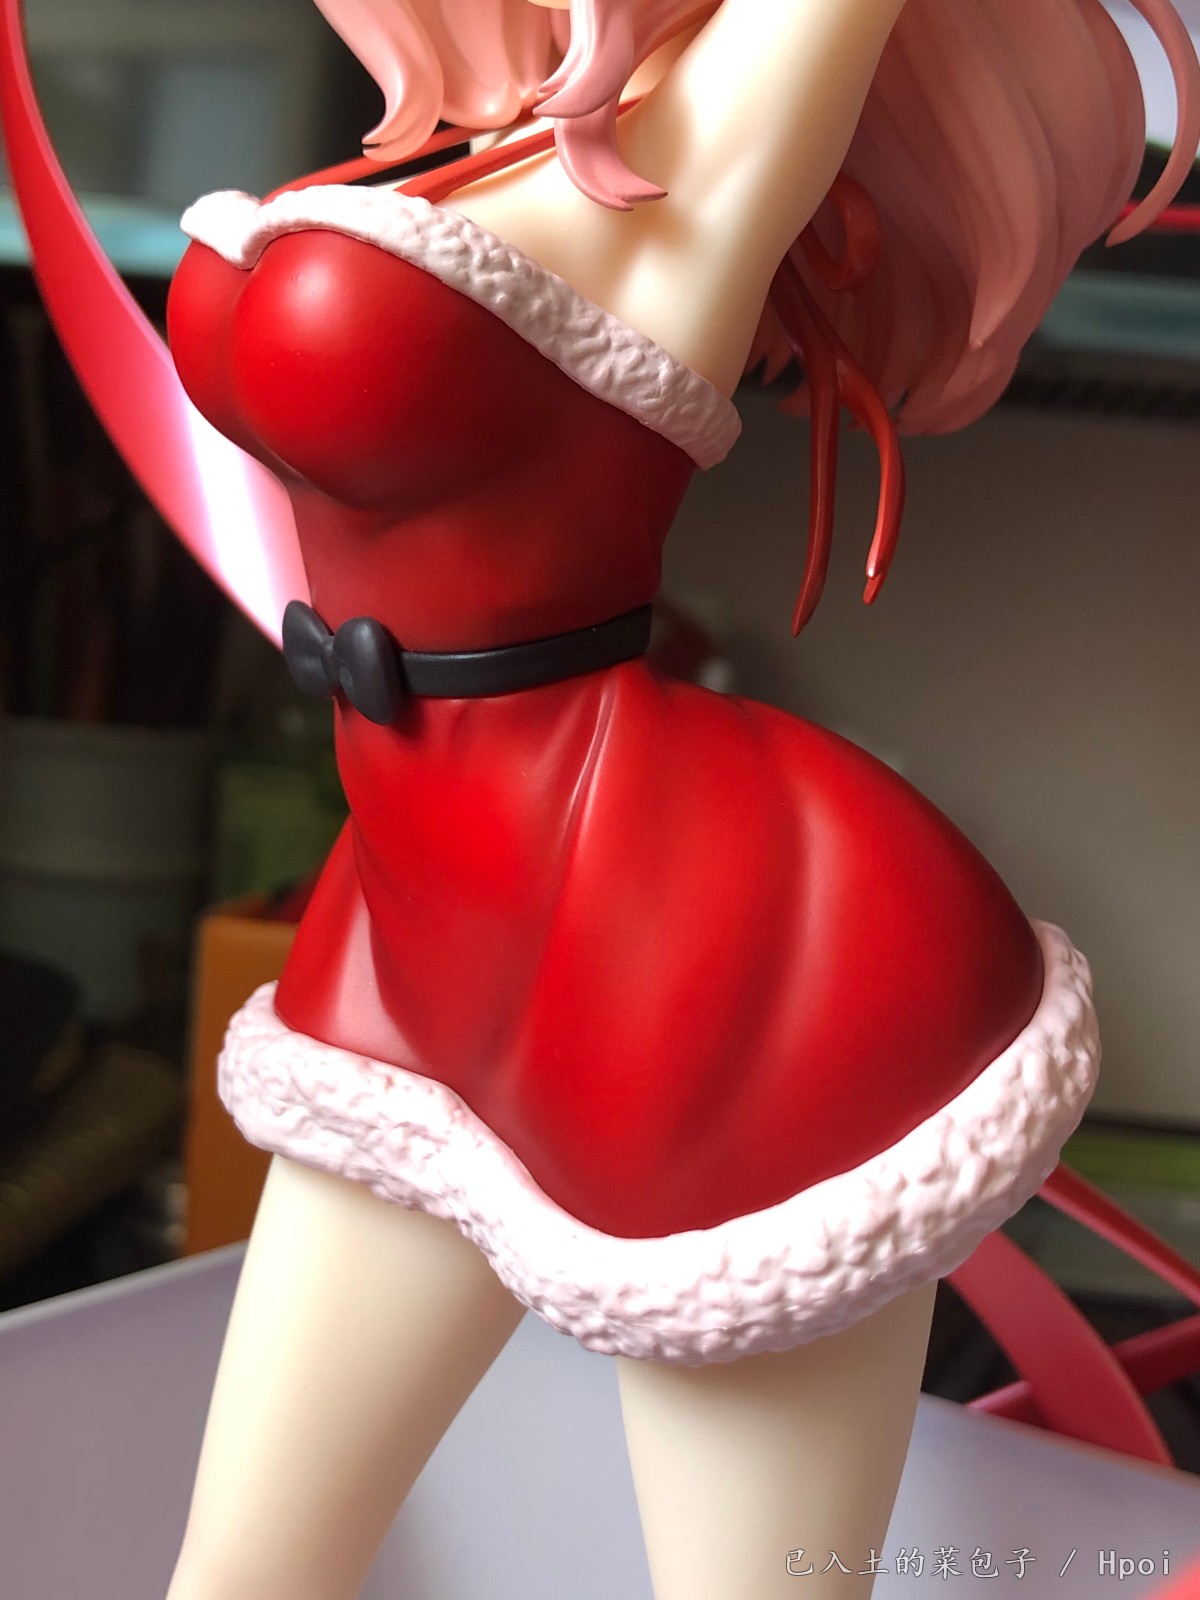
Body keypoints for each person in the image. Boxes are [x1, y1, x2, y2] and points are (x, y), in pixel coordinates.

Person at [4, 1, 1197, 1596]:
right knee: (239, 1574)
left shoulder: (719, 119)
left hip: (679, 943)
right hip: (418, 936)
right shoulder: (483, 127)